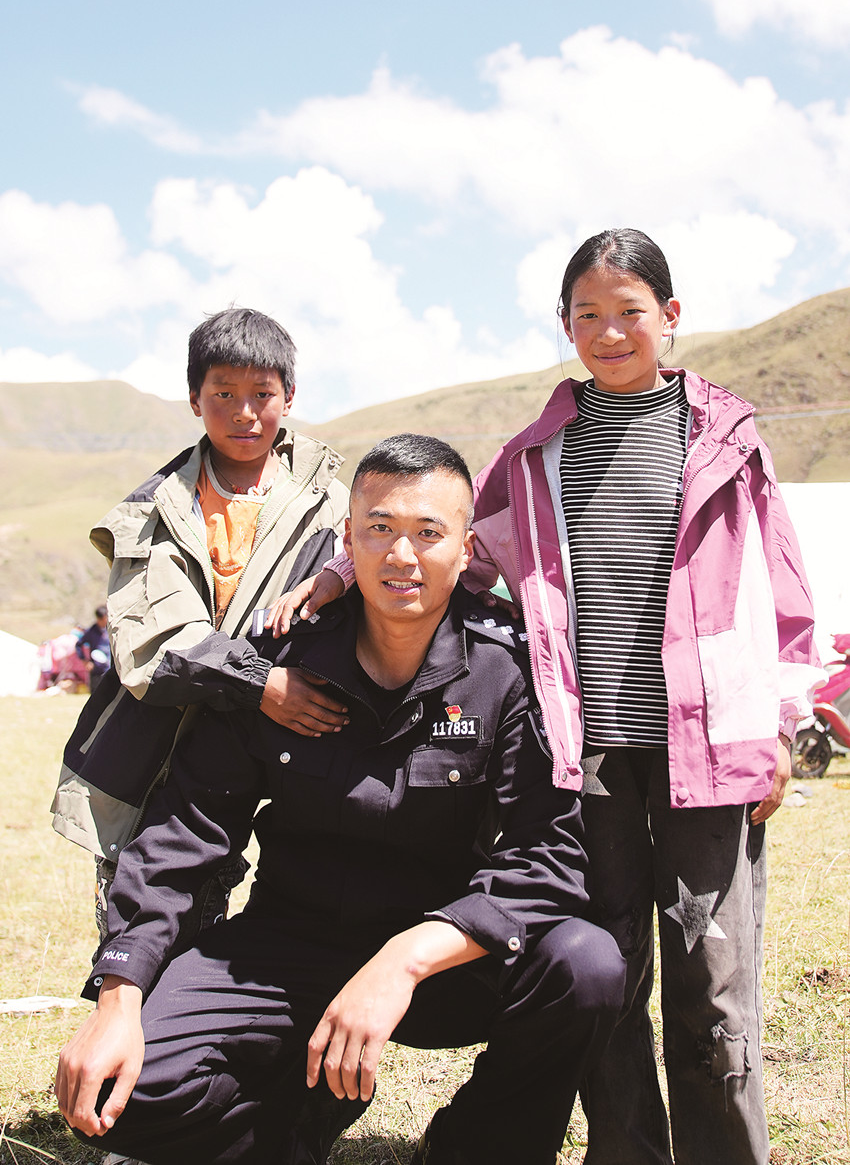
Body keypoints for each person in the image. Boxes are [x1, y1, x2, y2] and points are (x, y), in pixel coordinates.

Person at [277, 230, 824, 1165]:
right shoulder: (534, 455)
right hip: (583, 758)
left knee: (714, 980)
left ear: (670, 316)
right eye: (587, 314)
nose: (609, 332)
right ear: (564, 323)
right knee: (611, 969)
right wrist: (337, 573)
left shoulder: (727, 442)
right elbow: (453, 550)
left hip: (709, 753)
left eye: (630, 312)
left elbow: (781, 590)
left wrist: (781, 724)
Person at [54, 434, 625, 1165]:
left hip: (442, 955)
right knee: (116, 1096)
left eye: (428, 532)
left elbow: (546, 857)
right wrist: (119, 993)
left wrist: (405, 959)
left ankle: (471, 1148)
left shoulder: (506, 672)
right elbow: (184, 831)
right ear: (347, 541)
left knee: (585, 964)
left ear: (465, 548)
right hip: (288, 946)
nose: (401, 555)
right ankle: (293, 1127)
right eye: (379, 528)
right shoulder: (283, 663)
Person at [51, 307, 350, 941]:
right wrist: (261, 683)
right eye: (224, 394)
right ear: (195, 400)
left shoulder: (332, 501)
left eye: (262, 394)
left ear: (289, 397)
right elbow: (154, 643)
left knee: (256, 918)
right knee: (143, 906)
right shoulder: (154, 509)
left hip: (275, 747)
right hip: (158, 741)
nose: (245, 413)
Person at [76, 605, 112, 692]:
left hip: (110, 668)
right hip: (97, 669)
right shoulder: (91, 631)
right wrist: (85, 661)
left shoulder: (111, 629)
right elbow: (78, 645)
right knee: (96, 693)